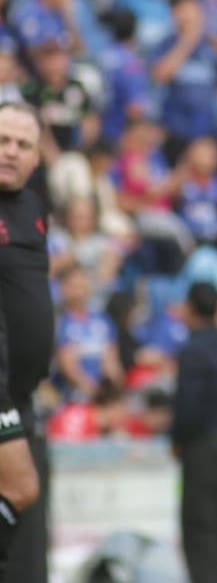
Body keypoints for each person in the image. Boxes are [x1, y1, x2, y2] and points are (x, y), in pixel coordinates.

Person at [0, 101, 53, 582]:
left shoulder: (34, 209)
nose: (11, 152)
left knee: (30, 547)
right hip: (1, 400)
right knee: (21, 489)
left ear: (37, 157)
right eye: (2, 141)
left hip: (25, 397)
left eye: (23, 145)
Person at [170, 282, 217, 583]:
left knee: (200, 528)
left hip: (202, 446)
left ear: (191, 308)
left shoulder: (194, 350)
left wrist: (178, 438)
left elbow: (189, 405)